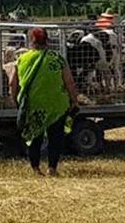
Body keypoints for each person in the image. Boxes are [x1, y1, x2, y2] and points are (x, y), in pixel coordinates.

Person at [9, 27, 80, 177]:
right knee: (56, 136)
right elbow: (69, 82)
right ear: (47, 40)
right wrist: (74, 100)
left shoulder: (22, 59)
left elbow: (12, 82)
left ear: (31, 41)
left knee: (35, 136)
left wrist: (15, 100)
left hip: (34, 104)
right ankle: (52, 168)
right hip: (56, 104)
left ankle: (36, 169)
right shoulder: (57, 58)